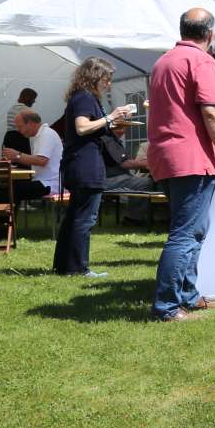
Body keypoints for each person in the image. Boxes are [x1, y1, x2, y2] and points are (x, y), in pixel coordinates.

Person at [148, 8, 215, 321]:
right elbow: (211, 112)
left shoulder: (163, 62)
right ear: (210, 34)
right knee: (185, 234)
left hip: (164, 156)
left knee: (195, 229)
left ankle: (187, 295)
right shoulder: (202, 61)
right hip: (191, 158)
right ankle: (167, 307)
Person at [54, 57, 135, 278]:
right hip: (85, 164)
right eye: (106, 80)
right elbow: (82, 127)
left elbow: (91, 127)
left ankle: (64, 265)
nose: (108, 84)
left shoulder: (82, 97)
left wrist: (113, 121)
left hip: (79, 162)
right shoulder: (85, 98)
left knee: (74, 217)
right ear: (95, 77)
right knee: (84, 218)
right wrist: (110, 117)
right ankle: (78, 268)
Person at [0, 109, 63, 200]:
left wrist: (17, 155)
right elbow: (36, 161)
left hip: (50, 183)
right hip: (43, 181)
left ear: (30, 123)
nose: (18, 130)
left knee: (9, 189)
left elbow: (41, 160)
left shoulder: (47, 134)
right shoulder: (39, 135)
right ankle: (5, 214)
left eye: (20, 126)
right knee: (9, 186)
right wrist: (14, 159)